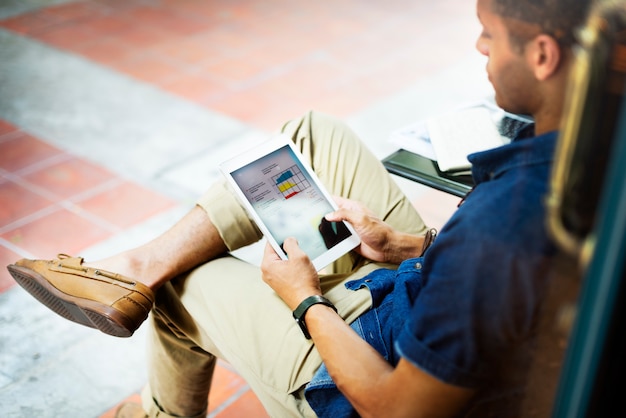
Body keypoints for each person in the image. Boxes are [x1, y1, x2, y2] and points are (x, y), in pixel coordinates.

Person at [6, 0, 592, 416]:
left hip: (372, 363)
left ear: (543, 54)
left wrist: (305, 301)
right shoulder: (588, 151)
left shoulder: (503, 225)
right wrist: (409, 247)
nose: (479, 46)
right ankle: (134, 269)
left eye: (489, 32)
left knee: (186, 286)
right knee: (314, 133)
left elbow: (397, 410)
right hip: (417, 279)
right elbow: (513, 280)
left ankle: (155, 369)